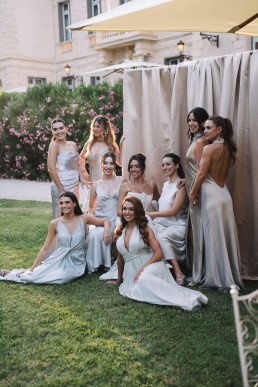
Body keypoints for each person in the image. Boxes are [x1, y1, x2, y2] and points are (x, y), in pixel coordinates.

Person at [107, 197, 208, 311]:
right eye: (125, 209)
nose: (127, 212)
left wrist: (142, 270)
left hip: (152, 265)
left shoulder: (145, 229)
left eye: (131, 209)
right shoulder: (119, 231)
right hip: (132, 271)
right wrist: (119, 279)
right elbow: (121, 258)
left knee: (144, 279)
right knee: (139, 286)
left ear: (137, 211)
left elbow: (159, 253)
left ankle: (187, 300)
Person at [0, 192, 111, 284]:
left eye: (67, 202)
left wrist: (106, 231)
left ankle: (24, 273)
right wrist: (33, 267)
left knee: (61, 277)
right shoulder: (55, 223)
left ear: (74, 204)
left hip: (77, 261)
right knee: (35, 274)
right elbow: (46, 248)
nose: (64, 205)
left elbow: (106, 221)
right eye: (61, 203)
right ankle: (12, 274)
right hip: (59, 257)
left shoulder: (83, 218)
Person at [189, 115, 243, 292]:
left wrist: (192, 192)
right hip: (224, 194)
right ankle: (226, 275)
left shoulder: (209, 149)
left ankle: (217, 279)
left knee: (213, 236)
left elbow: (202, 175)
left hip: (212, 195)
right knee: (224, 236)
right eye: (204, 128)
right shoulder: (228, 148)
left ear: (219, 130)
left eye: (208, 128)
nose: (204, 131)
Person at [99, 153, 159, 280]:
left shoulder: (152, 185)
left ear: (143, 168)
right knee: (145, 220)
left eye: (137, 166)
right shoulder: (125, 186)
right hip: (125, 219)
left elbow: (158, 201)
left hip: (145, 220)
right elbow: (119, 211)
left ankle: (154, 263)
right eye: (131, 167)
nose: (134, 169)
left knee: (147, 221)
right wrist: (134, 219)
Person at [178, 107, 209, 285]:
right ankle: (198, 270)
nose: (190, 123)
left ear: (202, 122)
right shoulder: (195, 140)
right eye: (189, 120)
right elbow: (192, 170)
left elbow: (201, 171)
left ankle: (200, 275)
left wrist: (194, 192)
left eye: (194, 120)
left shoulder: (201, 142)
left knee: (198, 234)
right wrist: (185, 178)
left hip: (197, 193)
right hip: (191, 189)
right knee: (193, 233)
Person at [147, 153, 188, 285]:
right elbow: (161, 204)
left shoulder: (181, 185)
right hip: (162, 223)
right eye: (163, 165)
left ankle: (178, 272)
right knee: (147, 233)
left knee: (161, 238)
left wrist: (152, 214)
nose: (165, 167)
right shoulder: (165, 185)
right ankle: (159, 269)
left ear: (176, 166)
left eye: (168, 164)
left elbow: (174, 211)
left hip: (176, 225)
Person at [85, 153, 122, 274]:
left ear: (115, 165)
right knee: (94, 234)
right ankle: (96, 265)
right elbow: (91, 206)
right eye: (105, 163)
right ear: (101, 165)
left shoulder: (121, 180)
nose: (108, 166)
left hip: (116, 219)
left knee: (114, 231)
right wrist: (92, 222)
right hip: (100, 220)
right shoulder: (95, 185)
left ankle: (108, 264)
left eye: (111, 163)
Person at [79, 115, 125, 211]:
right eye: (94, 126)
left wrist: (121, 145)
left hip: (109, 185)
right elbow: (81, 157)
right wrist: (83, 172)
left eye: (98, 127)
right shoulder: (89, 143)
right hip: (93, 184)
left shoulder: (111, 144)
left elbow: (120, 163)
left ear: (105, 129)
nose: (95, 129)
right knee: (91, 212)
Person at [47, 118, 86, 220]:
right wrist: (61, 189)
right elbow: (51, 169)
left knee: (74, 213)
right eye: (55, 129)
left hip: (74, 185)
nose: (59, 131)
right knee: (60, 216)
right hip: (61, 185)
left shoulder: (73, 144)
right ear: (52, 132)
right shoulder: (54, 145)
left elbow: (76, 164)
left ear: (66, 128)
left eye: (61, 128)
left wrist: (81, 178)